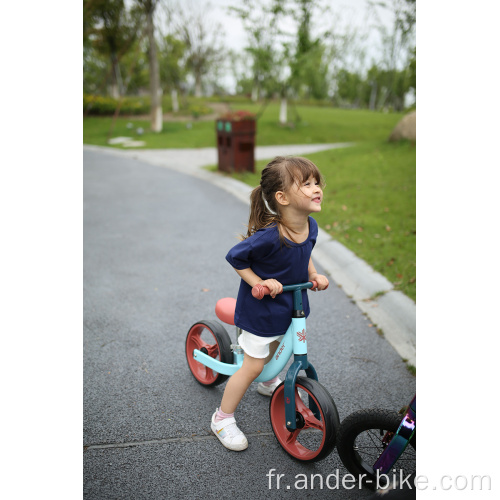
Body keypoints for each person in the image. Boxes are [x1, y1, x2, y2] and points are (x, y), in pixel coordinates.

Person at [210, 156, 330, 451]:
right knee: (252, 366)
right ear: (282, 197)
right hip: (262, 311)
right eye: (307, 184)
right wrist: (259, 283)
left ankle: (269, 382)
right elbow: (235, 258)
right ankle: (222, 418)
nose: (317, 188)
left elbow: (306, 251)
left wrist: (313, 274)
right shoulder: (269, 236)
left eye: (317, 182)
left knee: (279, 349)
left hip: (291, 305)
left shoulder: (309, 226)